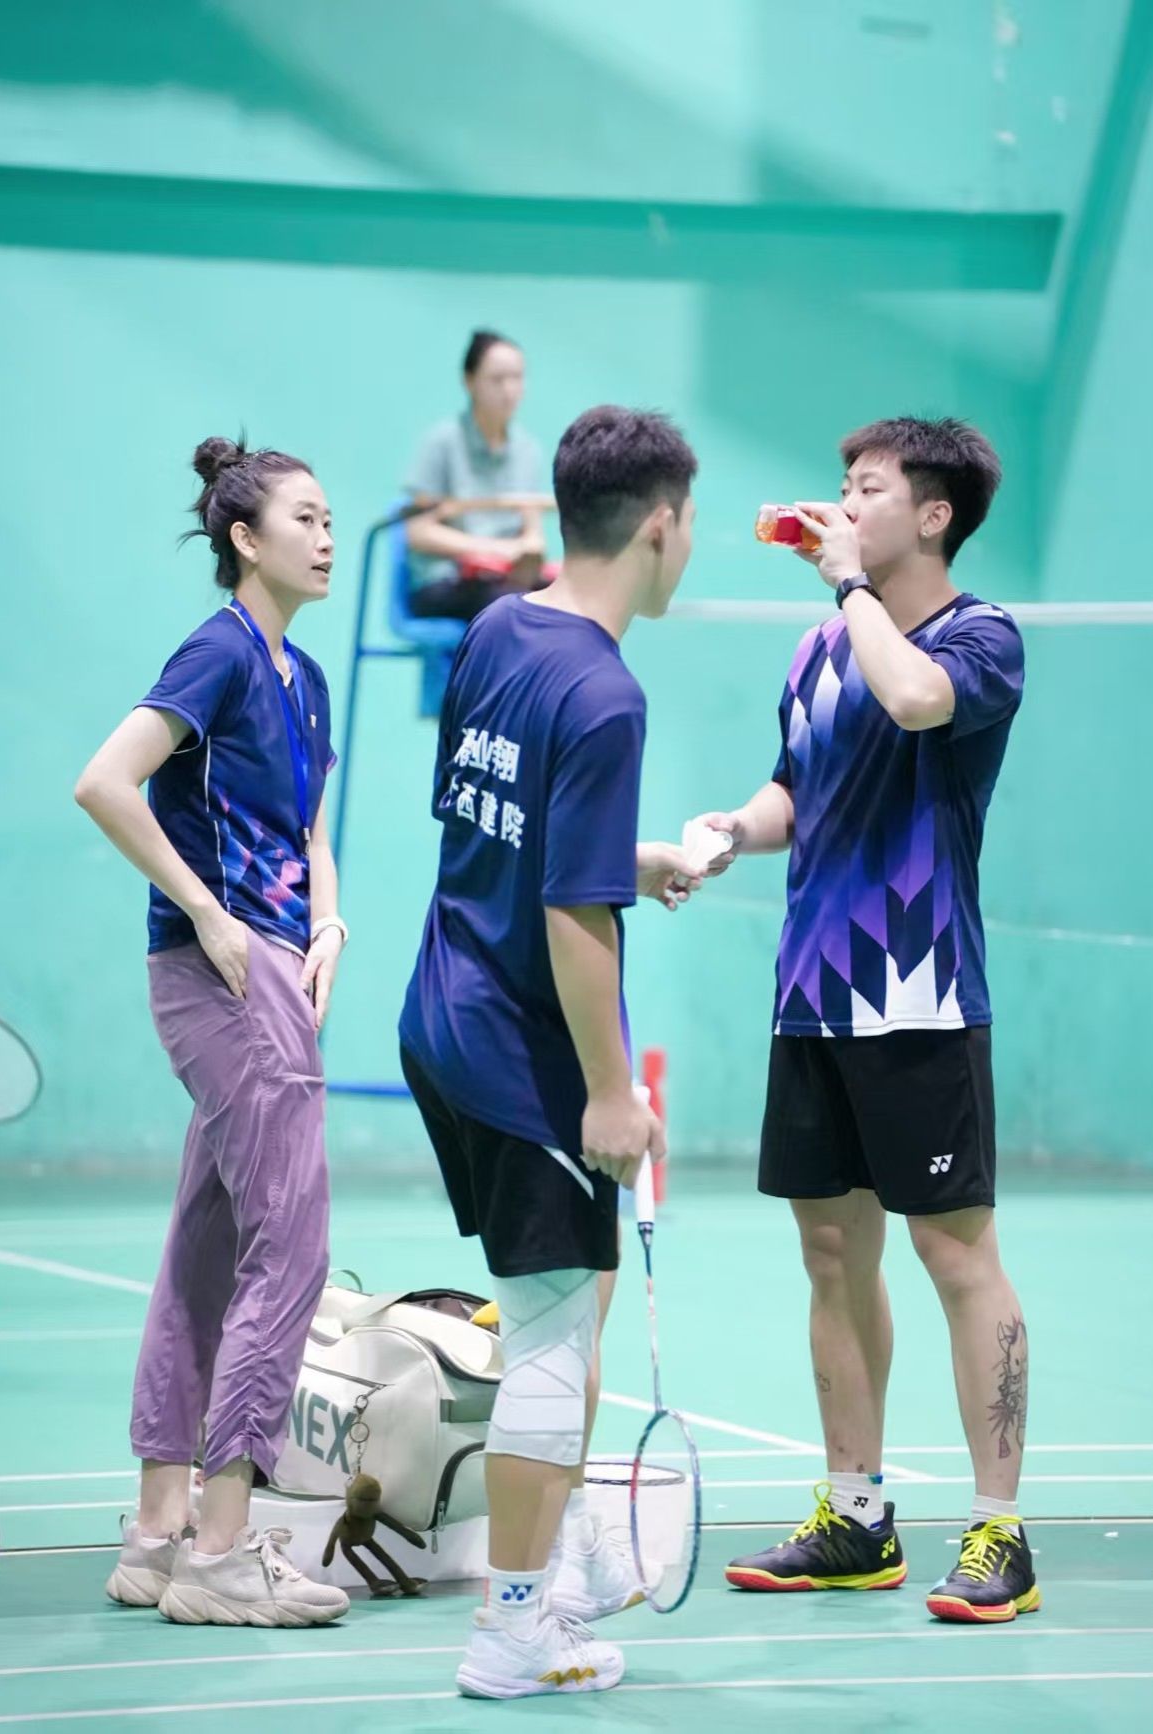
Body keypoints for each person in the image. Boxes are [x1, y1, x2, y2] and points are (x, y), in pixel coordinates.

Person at [702, 417, 1037, 1624]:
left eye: (869, 488)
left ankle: (1000, 1532)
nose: (841, 504)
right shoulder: (815, 649)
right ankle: (856, 1517)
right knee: (833, 1254)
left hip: (921, 990)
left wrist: (850, 587)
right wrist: (728, 833)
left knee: (956, 1255)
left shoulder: (979, 637)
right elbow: (797, 786)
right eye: (840, 486)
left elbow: (916, 701)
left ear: (934, 515)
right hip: (813, 991)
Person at [399, 405, 705, 1699]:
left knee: (563, 1304)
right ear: (659, 525)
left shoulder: (498, 626)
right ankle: (513, 1625)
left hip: (440, 1012)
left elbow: (494, 825)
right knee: (550, 1333)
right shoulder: (607, 693)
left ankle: (560, 1566)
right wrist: (609, 1093)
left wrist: (628, 855)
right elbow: (574, 916)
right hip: (521, 1050)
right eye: (690, 521)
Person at [75, 437, 350, 1628]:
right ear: (246, 538)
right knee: (290, 1250)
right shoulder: (220, 651)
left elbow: (309, 829)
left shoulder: (306, 677)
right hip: (225, 975)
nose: (327, 537)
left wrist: (328, 920)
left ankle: (157, 1536)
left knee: (208, 1244)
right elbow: (105, 781)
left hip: (282, 965)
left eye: (331, 518)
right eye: (306, 518)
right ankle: (226, 1550)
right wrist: (206, 910)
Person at [405, 329, 555, 621]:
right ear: (469, 381)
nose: (509, 389)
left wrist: (531, 552)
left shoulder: (528, 450)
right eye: (497, 379)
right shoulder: (441, 442)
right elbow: (417, 532)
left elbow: (532, 532)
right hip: (446, 580)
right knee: (508, 607)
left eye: (517, 378)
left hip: (505, 580)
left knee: (568, 604)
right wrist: (495, 551)